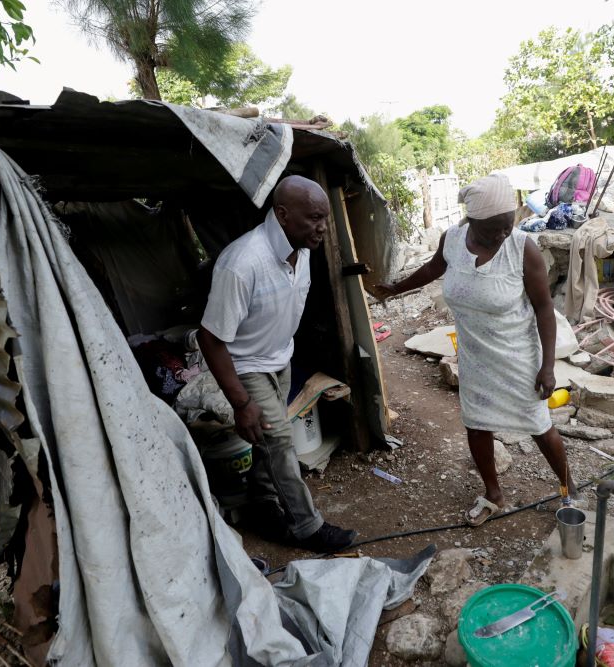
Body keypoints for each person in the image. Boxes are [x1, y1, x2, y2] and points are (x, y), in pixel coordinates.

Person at [375, 173, 578, 525]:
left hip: (518, 355)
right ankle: (493, 494)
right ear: (472, 221)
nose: (502, 235)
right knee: (477, 425)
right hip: (475, 355)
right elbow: (432, 269)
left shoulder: (521, 248)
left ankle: (568, 490)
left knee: (539, 425)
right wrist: (396, 288)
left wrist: (548, 367)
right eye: (494, 230)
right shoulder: (453, 240)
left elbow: (544, 309)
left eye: (507, 226)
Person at [198, 175, 357, 552]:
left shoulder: (301, 250)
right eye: (314, 218)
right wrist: (241, 402)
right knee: (280, 442)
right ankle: (307, 527)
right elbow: (211, 338)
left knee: (266, 444)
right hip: (245, 363)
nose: (322, 228)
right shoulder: (242, 263)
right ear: (283, 214)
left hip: (279, 359)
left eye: (325, 218)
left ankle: (263, 504)